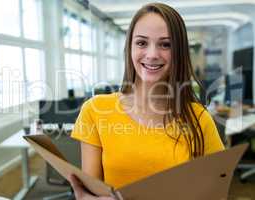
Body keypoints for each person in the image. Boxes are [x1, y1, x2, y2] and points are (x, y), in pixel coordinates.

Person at [69, 2, 224, 200]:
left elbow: (215, 193)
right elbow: (93, 192)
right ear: (130, 48)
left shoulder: (199, 118)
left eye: (165, 44)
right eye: (142, 43)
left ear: (179, 51)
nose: (152, 55)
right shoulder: (96, 110)